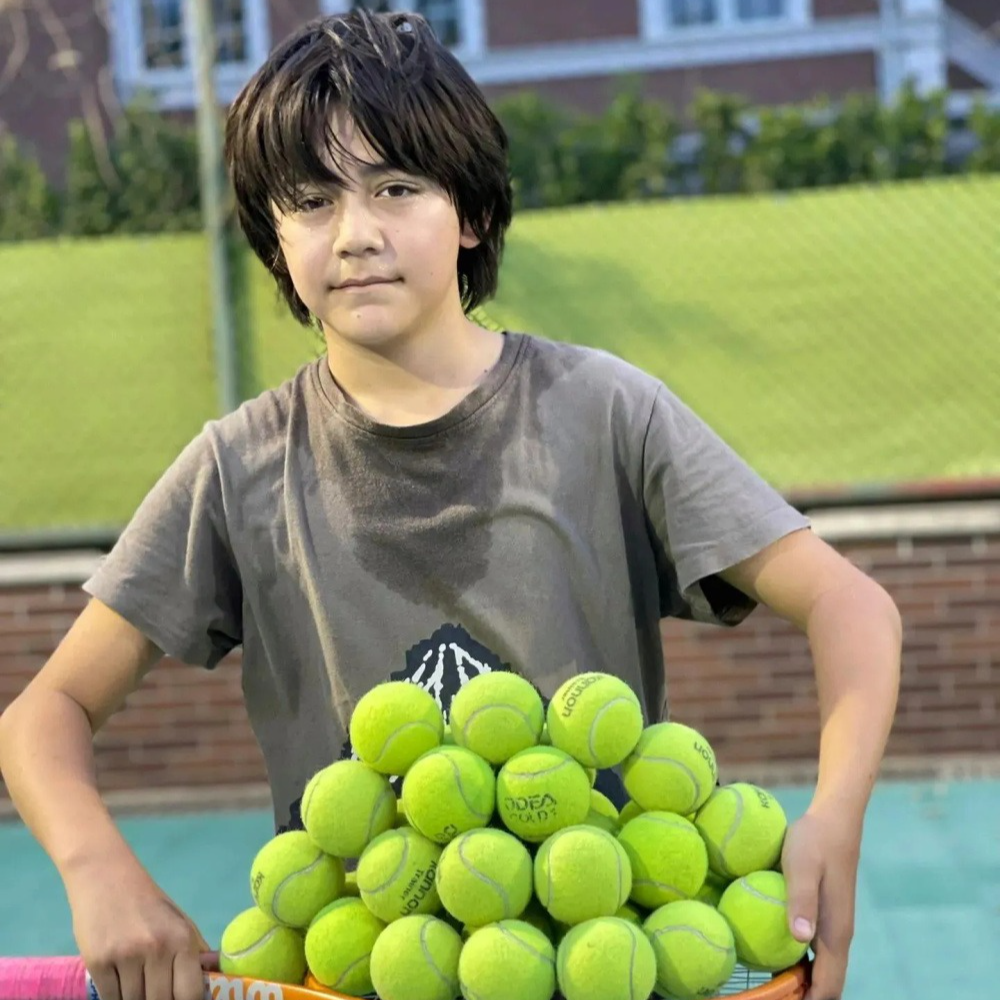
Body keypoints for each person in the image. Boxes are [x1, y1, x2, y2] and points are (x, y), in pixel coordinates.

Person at [0, 10, 900, 1000]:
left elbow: (850, 604)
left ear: (468, 212)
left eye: (395, 187)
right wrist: (98, 870)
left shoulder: (602, 411)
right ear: (274, 239)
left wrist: (838, 815)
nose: (355, 234)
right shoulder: (237, 464)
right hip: (349, 973)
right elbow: (46, 708)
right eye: (309, 201)